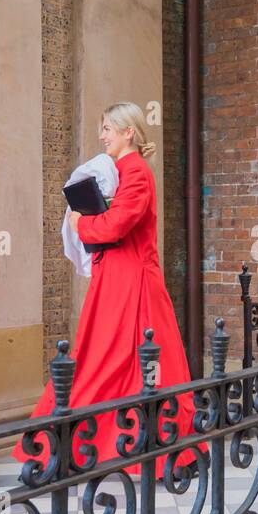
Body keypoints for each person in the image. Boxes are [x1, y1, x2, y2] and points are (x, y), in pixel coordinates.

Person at [16, 102, 199, 474]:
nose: (102, 136)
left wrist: (81, 221)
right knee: (111, 359)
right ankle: (109, 442)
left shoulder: (135, 171)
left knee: (119, 360)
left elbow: (116, 226)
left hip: (130, 280)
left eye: (108, 130)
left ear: (128, 132)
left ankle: (104, 444)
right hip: (117, 276)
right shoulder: (122, 170)